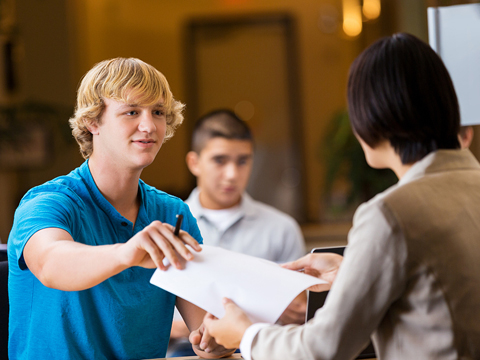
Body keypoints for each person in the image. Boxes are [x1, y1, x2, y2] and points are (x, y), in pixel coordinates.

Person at [203, 33, 480, 359]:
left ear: (372, 116)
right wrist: (353, 270)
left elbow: (322, 349)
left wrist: (245, 334)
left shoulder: (390, 214)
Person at [7, 58, 234, 359]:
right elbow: (51, 263)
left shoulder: (172, 212)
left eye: (158, 112)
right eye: (131, 112)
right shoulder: (47, 202)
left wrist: (217, 339)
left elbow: (207, 332)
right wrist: (127, 253)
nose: (149, 126)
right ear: (93, 121)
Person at [168, 109, 306, 356]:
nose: (232, 174)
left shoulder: (282, 229)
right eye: (220, 160)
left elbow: (301, 318)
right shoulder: (165, 227)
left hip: (261, 352)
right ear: (194, 163)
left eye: (243, 161)